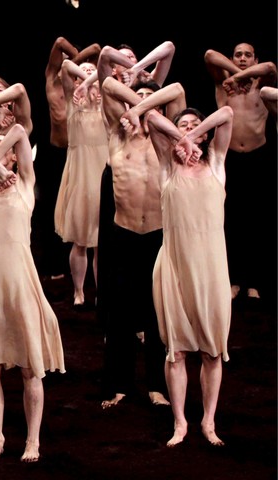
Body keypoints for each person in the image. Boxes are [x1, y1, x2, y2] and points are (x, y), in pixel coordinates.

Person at [0, 123, 65, 462]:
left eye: (0, 146)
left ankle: (33, 440)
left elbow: (19, 130)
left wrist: (5, 164)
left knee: (30, 367)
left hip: (20, 284)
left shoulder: (24, 186)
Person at [84, 42, 176, 409]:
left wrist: (143, 105)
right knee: (119, 317)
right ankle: (120, 384)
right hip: (122, 235)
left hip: (157, 235)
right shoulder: (116, 134)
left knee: (157, 314)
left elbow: (177, 90)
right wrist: (134, 101)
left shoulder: (163, 140)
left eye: (147, 102)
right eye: (133, 100)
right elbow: (107, 80)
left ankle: (157, 384)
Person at [145, 105, 234, 447]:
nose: (191, 130)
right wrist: (180, 139)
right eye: (183, 124)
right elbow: (152, 117)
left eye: (198, 126)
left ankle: (208, 421)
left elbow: (226, 112)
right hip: (175, 266)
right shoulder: (168, 167)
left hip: (211, 268)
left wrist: (193, 136)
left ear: (206, 134)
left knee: (213, 351)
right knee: (177, 350)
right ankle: (180, 422)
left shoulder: (216, 163)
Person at [204, 42, 277, 302]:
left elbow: (270, 67)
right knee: (230, 221)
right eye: (238, 55)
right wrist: (234, 74)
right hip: (229, 159)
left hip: (259, 158)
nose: (243, 58)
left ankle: (255, 282)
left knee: (258, 221)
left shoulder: (262, 85)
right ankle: (233, 280)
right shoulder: (224, 83)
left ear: (255, 57)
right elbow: (210, 55)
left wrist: (241, 76)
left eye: (248, 55)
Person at [41, 37, 101, 281]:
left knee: (85, 212)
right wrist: (75, 58)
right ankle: (55, 265)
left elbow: (97, 49)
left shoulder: (95, 94)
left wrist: (82, 66)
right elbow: (59, 42)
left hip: (87, 155)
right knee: (54, 211)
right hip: (58, 152)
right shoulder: (54, 84)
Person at [54, 59, 108, 307]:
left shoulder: (107, 103)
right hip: (79, 172)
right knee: (80, 239)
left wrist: (93, 81)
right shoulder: (72, 99)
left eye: (91, 72)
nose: (87, 75)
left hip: (102, 171)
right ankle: (78, 291)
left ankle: (100, 292)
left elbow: (104, 70)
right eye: (83, 72)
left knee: (101, 241)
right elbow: (65, 64)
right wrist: (84, 83)